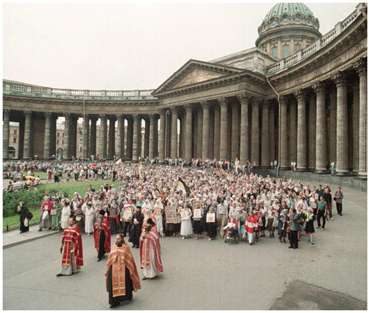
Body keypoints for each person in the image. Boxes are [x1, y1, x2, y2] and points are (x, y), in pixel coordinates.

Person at [105, 234, 141, 308]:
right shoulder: (114, 247)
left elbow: (130, 259)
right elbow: (110, 258)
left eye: (119, 239)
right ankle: (114, 302)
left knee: (126, 283)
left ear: (122, 239)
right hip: (114, 269)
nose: (117, 240)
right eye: (116, 239)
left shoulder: (126, 248)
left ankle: (127, 297)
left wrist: (130, 268)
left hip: (124, 269)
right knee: (112, 284)